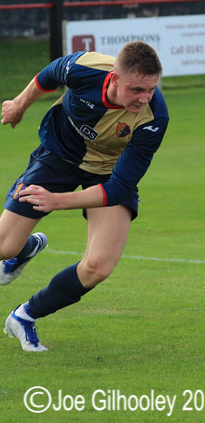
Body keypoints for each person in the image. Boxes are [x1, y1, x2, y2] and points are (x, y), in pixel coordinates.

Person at [0, 41, 168, 352]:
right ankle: (21, 250)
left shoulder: (154, 118)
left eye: (150, 89)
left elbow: (118, 187)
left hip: (109, 174)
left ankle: (24, 316)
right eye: (136, 90)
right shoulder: (86, 67)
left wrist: (57, 201)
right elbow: (48, 76)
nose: (145, 98)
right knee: (3, 245)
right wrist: (20, 104)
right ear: (115, 78)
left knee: (98, 267)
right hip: (57, 156)